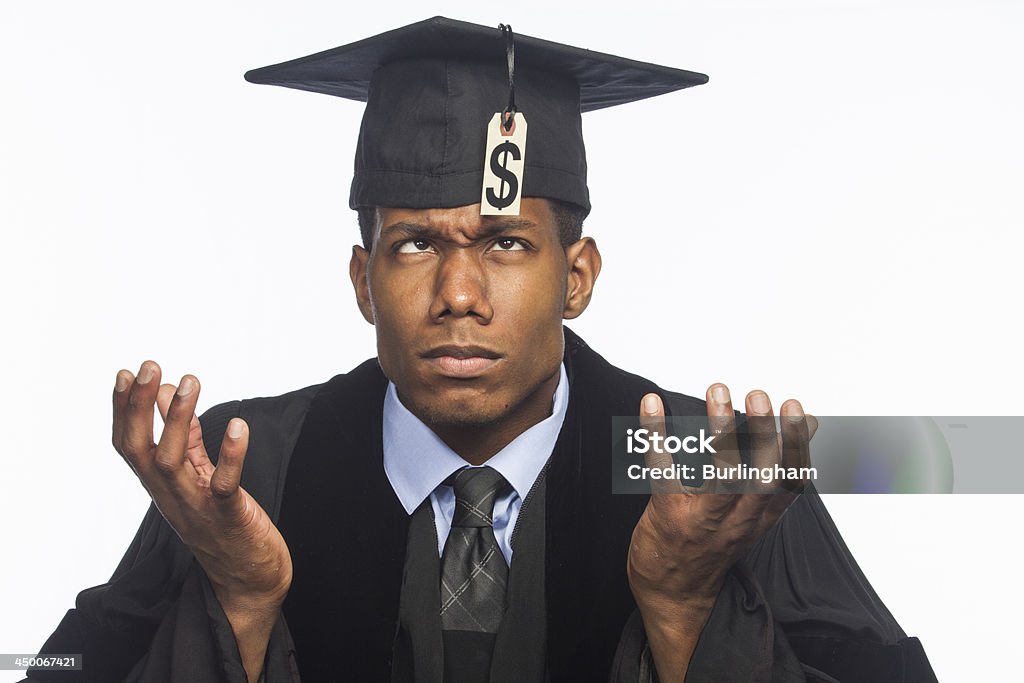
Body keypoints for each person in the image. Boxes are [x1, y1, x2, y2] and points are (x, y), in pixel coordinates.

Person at [27, 17, 937, 683]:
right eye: (416, 244)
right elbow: (56, 665)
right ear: (361, 280)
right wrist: (236, 601)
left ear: (577, 275)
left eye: (505, 243)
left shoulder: (721, 474)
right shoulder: (238, 469)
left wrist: (688, 609)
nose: (458, 294)